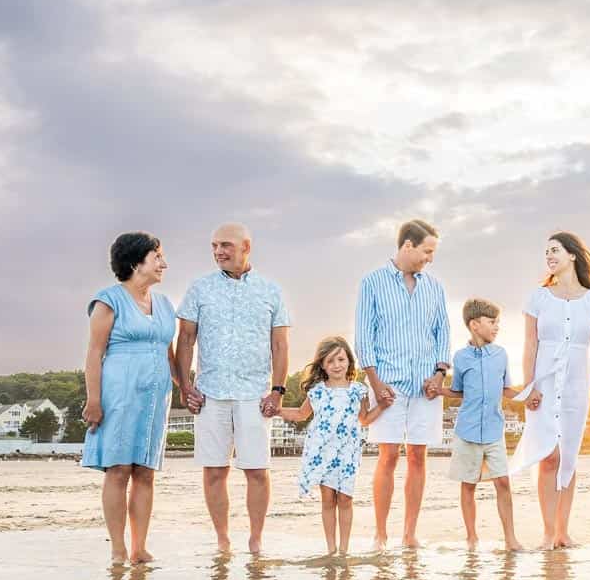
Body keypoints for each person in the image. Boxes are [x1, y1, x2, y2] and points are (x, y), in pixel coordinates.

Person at [175, 222, 291, 555]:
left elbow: (280, 344)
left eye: (225, 245)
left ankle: (256, 539)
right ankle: (223, 539)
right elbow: (185, 339)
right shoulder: (199, 289)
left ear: (246, 246)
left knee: (256, 469)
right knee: (214, 470)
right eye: (213, 246)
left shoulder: (271, 291)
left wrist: (278, 390)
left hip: (255, 393)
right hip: (210, 392)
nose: (218, 252)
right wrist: (185, 385)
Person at [509, 232, 590, 549]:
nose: (549, 256)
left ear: (573, 255)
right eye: (546, 252)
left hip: (576, 385)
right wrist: (528, 385)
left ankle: (562, 531)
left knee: (568, 458)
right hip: (543, 385)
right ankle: (547, 531)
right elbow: (529, 344)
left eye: (554, 250)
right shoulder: (539, 297)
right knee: (548, 456)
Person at [81, 231, 184, 564]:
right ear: (136, 261)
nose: (163, 264)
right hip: (119, 393)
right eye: (157, 257)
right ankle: (117, 549)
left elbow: (170, 354)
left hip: (156, 397)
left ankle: (140, 547)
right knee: (119, 470)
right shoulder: (108, 301)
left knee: (145, 471)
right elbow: (94, 354)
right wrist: (93, 400)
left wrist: (185, 386)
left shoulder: (165, 304)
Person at [354, 219, 451, 550]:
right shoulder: (372, 282)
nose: (430, 258)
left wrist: (439, 375)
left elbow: (443, 333)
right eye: (427, 251)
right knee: (389, 456)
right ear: (407, 246)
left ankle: (409, 534)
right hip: (388, 386)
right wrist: (375, 382)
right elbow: (364, 336)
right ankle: (380, 533)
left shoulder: (434, 287)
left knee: (418, 457)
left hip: (426, 386)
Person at [279, 336, 388, 555]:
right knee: (328, 499)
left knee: (346, 498)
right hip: (322, 452)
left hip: (347, 452)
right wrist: (277, 410)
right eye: (330, 361)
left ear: (348, 360)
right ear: (322, 365)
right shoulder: (318, 391)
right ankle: (331, 548)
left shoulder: (358, 390)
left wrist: (383, 406)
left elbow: (364, 419)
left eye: (340, 359)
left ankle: (344, 550)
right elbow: (301, 414)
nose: (336, 365)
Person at [441, 298, 523, 552]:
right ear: (475, 325)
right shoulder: (461, 357)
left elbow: (507, 389)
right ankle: (472, 538)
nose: (497, 327)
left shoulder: (501, 355)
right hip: (466, 432)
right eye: (492, 322)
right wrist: (440, 391)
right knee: (468, 485)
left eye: (497, 322)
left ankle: (511, 539)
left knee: (503, 483)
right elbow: (459, 391)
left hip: (494, 431)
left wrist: (529, 396)